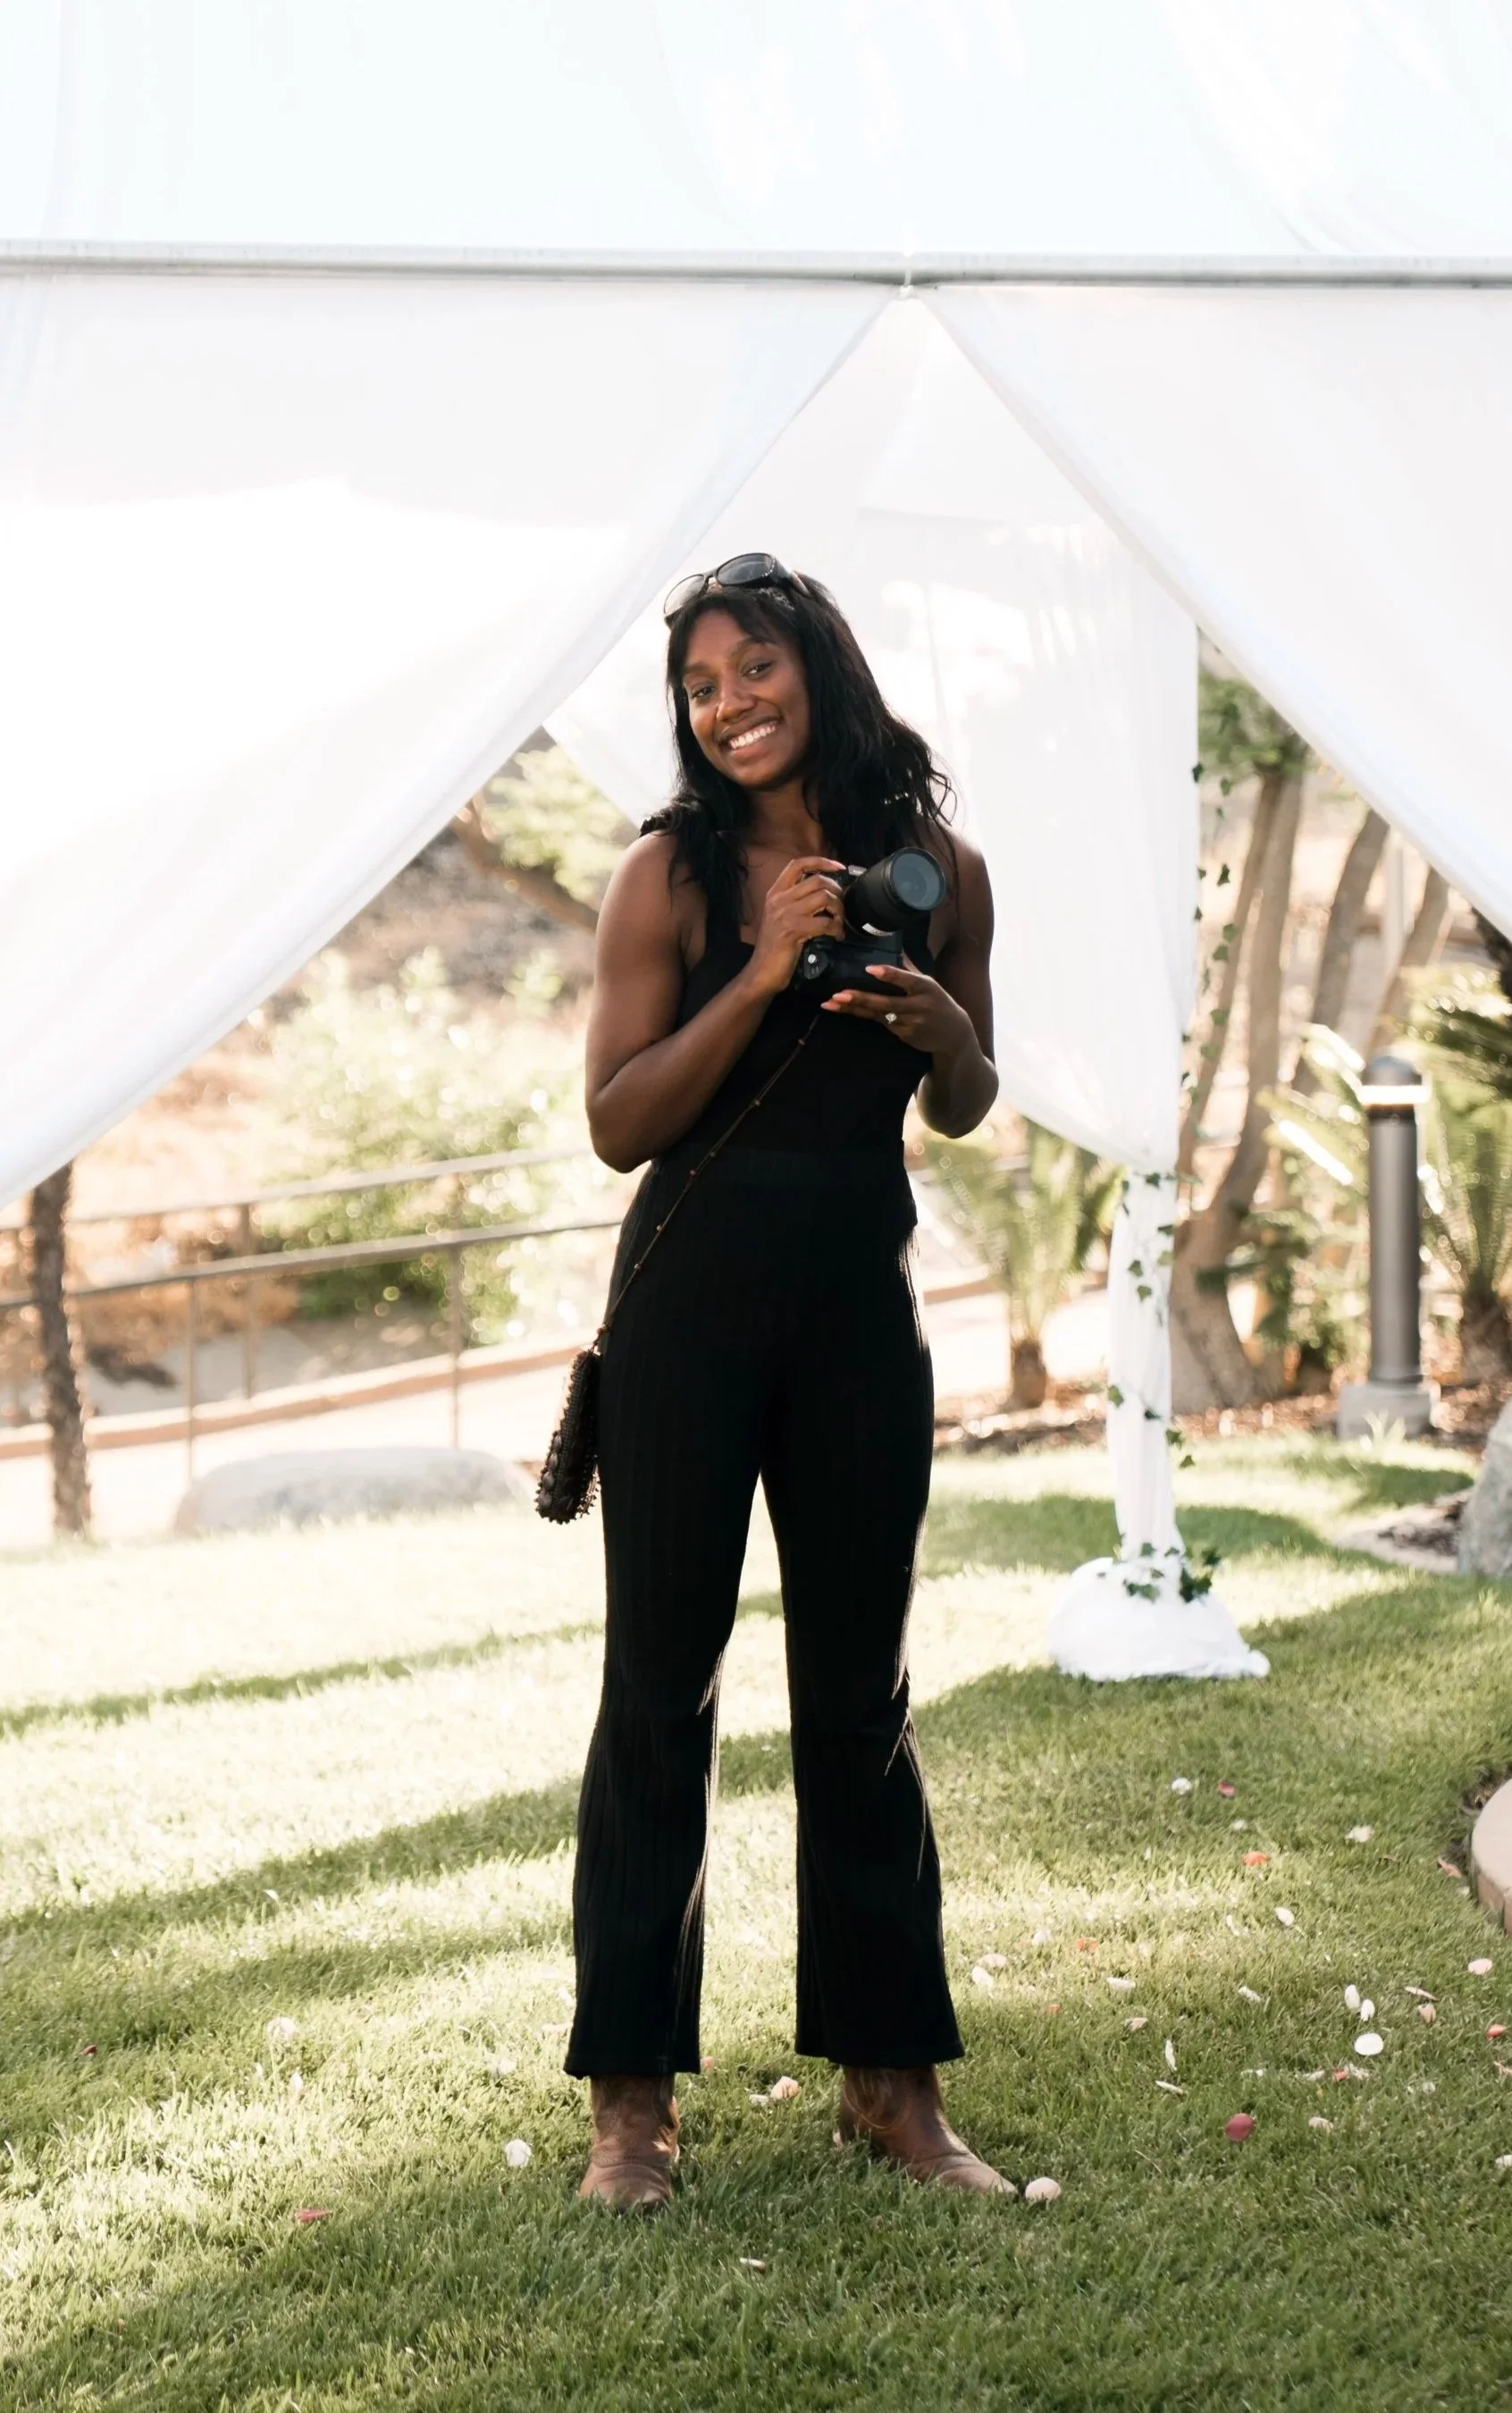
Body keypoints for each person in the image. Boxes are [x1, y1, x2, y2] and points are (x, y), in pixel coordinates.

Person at [567, 554, 1004, 2209]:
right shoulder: (665, 878)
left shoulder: (944, 869)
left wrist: (933, 1026)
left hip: (856, 1321)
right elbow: (616, 1123)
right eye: (700, 684)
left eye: (755, 667)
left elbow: (967, 1096)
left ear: (819, 665)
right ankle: (632, 2109)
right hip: (687, 1316)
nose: (730, 702)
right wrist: (761, 972)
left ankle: (893, 2089)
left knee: (863, 1699)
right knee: (658, 1694)